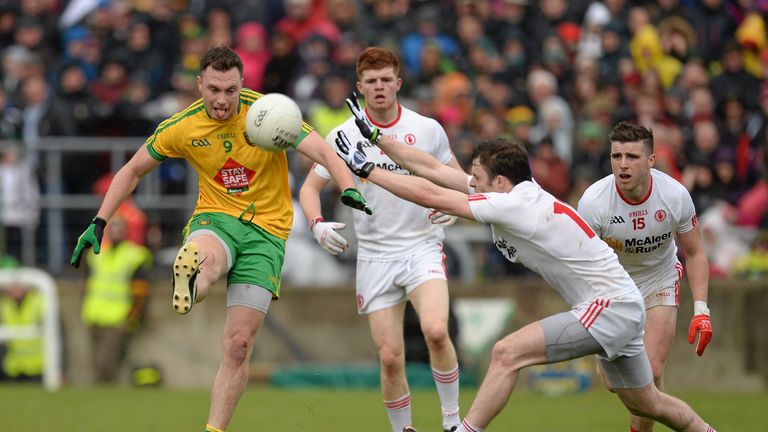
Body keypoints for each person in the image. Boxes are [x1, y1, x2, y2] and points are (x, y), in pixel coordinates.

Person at [334, 97, 718, 432]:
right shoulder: (511, 192)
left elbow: (433, 193)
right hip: (619, 305)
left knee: (506, 353)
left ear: (500, 181)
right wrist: (376, 137)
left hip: (610, 306)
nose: (471, 183)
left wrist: (368, 170)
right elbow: (434, 170)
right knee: (648, 404)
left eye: (478, 178)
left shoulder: (514, 205)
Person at [69, 46, 371, 432]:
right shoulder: (183, 126)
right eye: (213, 89)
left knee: (238, 345)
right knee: (206, 255)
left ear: (242, 84)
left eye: (230, 90)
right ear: (200, 85)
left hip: (267, 233)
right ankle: (194, 273)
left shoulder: (270, 112)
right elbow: (132, 170)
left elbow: (325, 152)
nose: (222, 100)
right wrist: (99, 221)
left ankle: (213, 428)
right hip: (217, 218)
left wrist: (347, 188)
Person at [298, 47, 463, 432]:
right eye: (371, 82)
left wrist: (455, 208)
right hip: (374, 255)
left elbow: (456, 177)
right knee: (390, 357)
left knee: (437, 332)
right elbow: (309, 189)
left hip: (422, 244)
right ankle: (403, 428)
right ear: (360, 87)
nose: (379, 87)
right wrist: (317, 223)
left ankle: (453, 423)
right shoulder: (341, 134)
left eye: (386, 80)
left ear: (398, 83)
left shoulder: (426, 129)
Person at [577, 121, 713, 432]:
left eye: (632, 157)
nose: (623, 165)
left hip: (659, 281)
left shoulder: (675, 195)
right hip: (611, 288)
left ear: (651, 160)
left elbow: (694, 253)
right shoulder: (593, 202)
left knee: (648, 373)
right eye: (617, 156)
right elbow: (581, 265)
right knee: (617, 385)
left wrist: (702, 311)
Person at [81, 216, 152, 383]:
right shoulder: (96, 254)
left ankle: (103, 394)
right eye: (113, 228)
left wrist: (134, 316)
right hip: (94, 314)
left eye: (120, 229)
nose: (116, 232)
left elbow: (140, 291)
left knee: (106, 364)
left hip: (118, 317)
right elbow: (86, 285)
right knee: (97, 363)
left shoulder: (134, 255)